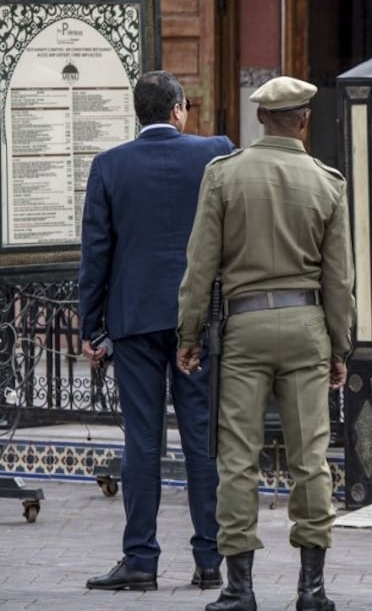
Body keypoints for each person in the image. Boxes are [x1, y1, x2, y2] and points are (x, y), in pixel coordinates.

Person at [176, 76, 355, 611]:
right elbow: (338, 279)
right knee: (311, 459)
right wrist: (340, 346)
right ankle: (311, 587)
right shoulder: (327, 182)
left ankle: (240, 588)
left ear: (260, 120)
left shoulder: (224, 175)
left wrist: (189, 334)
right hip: (306, 328)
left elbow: (200, 264)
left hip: (243, 330)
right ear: (304, 119)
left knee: (237, 458)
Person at [79, 71, 232, 593]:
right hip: (199, 320)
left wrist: (89, 325)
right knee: (201, 436)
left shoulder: (109, 165)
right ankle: (210, 559)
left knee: (142, 440)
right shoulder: (215, 153)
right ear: (178, 110)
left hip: (134, 318)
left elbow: (96, 252)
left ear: (138, 114)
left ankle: (141, 558)